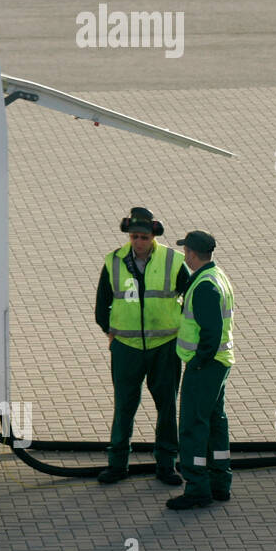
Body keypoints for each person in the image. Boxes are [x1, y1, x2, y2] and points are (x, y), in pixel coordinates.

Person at [94, 207, 191, 486]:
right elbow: (102, 303)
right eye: (134, 237)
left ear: (154, 237)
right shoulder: (114, 261)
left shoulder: (172, 260)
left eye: (144, 237)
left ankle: (166, 465)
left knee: (167, 407)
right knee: (124, 406)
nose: (139, 242)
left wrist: (183, 331)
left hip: (165, 347)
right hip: (126, 347)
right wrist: (109, 330)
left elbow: (190, 295)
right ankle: (117, 465)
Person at [167, 230, 235, 510]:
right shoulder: (217, 276)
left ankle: (197, 487)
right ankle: (220, 482)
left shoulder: (205, 285)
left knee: (194, 426)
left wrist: (197, 362)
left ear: (192, 254)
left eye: (186, 252)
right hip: (220, 363)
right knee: (216, 421)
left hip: (205, 366)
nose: (184, 255)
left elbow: (211, 331)